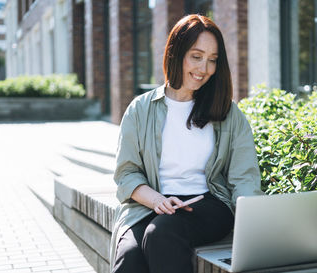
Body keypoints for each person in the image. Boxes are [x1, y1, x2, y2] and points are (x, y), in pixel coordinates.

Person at [110, 14, 263, 273]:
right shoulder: (141, 109)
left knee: (162, 233)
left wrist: (255, 224)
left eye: (212, 60)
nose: (204, 69)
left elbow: (244, 176)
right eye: (196, 56)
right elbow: (126, 174)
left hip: (207, 205)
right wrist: (157, 199)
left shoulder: (228, 113)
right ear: (176, 52)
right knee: (130, 257)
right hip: (149, 205)